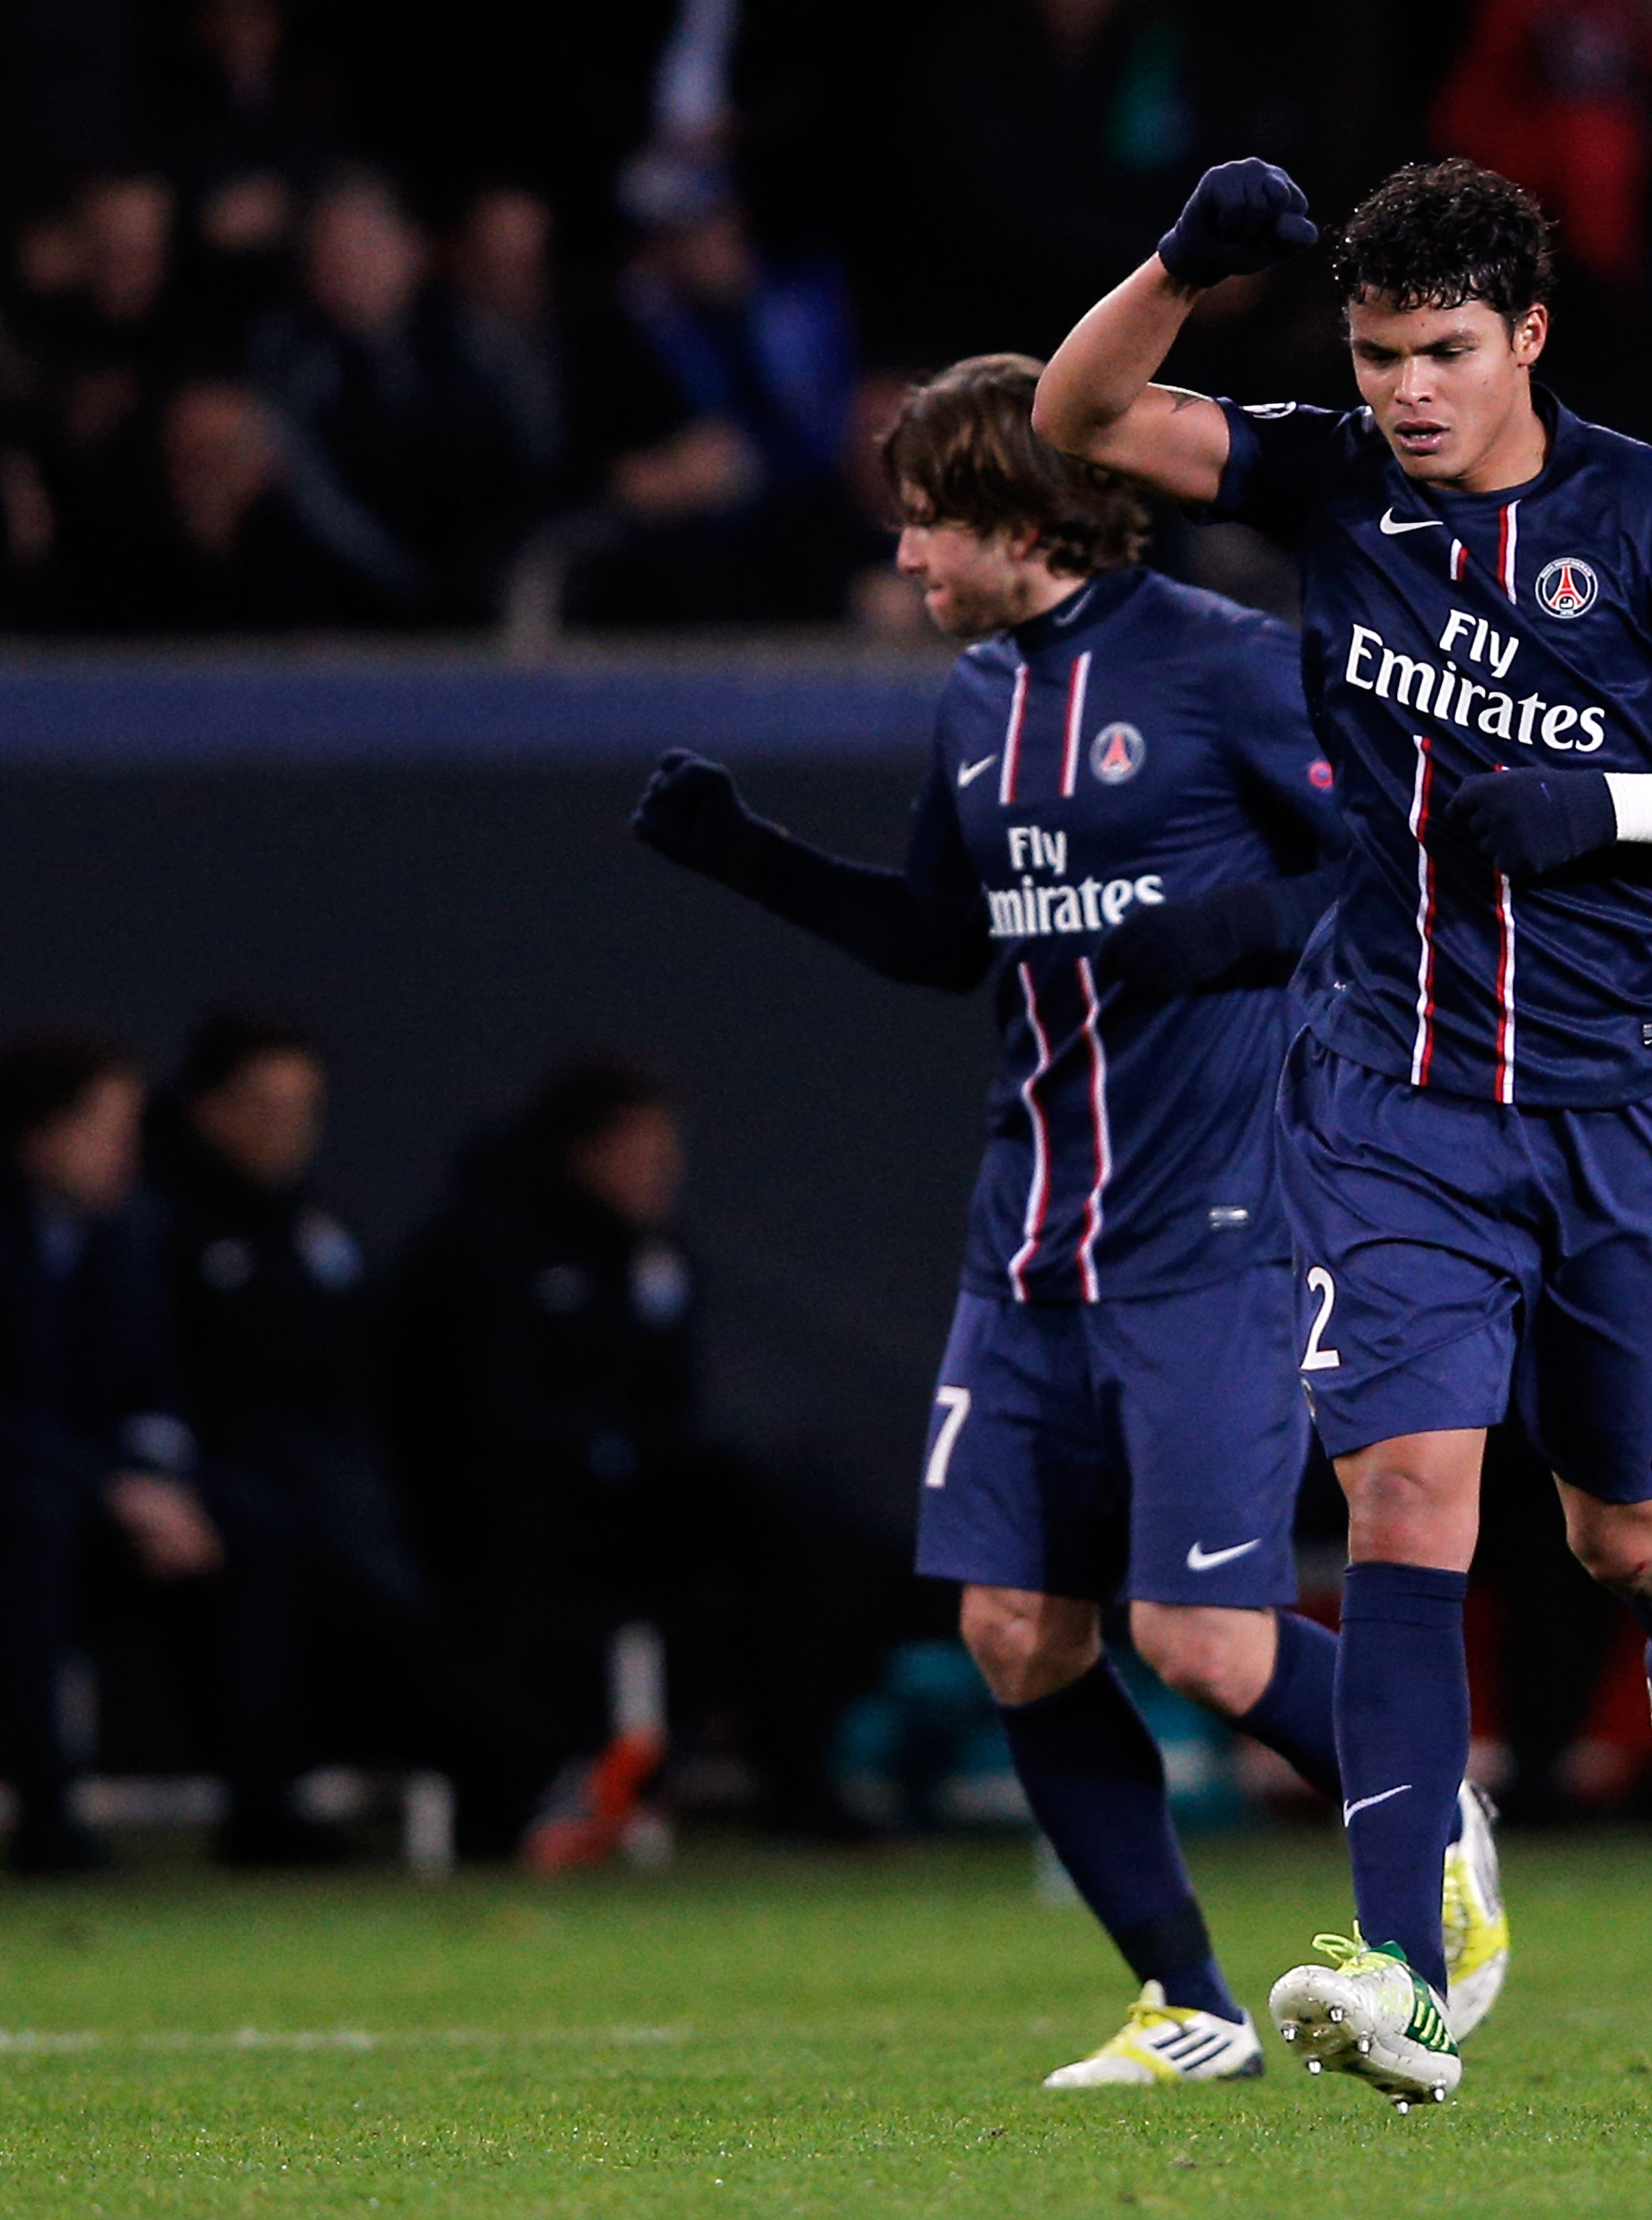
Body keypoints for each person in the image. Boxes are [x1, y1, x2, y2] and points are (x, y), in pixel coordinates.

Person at [1034, 154, 1652, 2103]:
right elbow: (1071, 417)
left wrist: (1621, 807)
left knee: (1622, 1522)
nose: (1407, 388)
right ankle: (1404, 1953)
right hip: (1395, 1098)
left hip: (1625, 1102)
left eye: (1447, 353)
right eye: (1380, 350)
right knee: (1409, 1499)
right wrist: (1172, 270)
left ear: (1530, 339)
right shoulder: (1329, 475)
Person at [630, 352, 1507, 2090]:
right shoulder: (976, 697)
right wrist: (750, 859)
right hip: (1030, 1234)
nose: (905, 561)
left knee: (1202, 1640)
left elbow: (1386, 866)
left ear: (1024, 515)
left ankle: (1433, 1817)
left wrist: (1229, 935)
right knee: (1017, 1632)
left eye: (927, 523)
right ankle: (1187, 2001)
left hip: (1215, 1226)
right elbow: (946, 944)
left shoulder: (1227, 664)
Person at [383, 1055, 886, 1860]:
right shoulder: (485, 1246)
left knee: (802, 1522)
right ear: (582, 1150)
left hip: (633, 1515)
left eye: (666, 1146)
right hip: (506, 1513)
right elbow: (482, 1417)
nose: (664, 1167)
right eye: (641, 1146)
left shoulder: (655, 1253)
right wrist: (600, 1455)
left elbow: (670, 1407)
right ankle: (528, 1801)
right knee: (502, 1581)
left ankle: (782, 1772)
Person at [0, 1032, 326, 1871]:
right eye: (105, 1129)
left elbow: (152, 1392)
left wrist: (156, 1480)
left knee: (252, 1522)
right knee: (28, 1527)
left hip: (89, 1497)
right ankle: (40, 1817)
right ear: (39, 1134)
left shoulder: (126, 1234)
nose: (125, 1151)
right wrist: (111, 1486)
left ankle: (264, 1810)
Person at [148, 1011, 570, 1857]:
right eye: (267, 1107)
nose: (290, 1131)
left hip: (346, 1491)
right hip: (234, 1487)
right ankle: (522, 1769)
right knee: (310, 1564)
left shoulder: (318, 1228)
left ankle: (515, 1787)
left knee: (477, 1538)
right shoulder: (160, 1228)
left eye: (305, 1109)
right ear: (209, 1110)